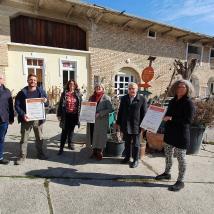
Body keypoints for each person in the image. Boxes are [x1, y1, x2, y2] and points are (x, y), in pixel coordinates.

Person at [155, 79, 195, 192]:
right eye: (178, 87)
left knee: (181, 158)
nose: (180, 89)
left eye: (183, 87)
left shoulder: (189, 103)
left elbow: (188, 120)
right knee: (168, 155)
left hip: (181, 135)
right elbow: (167, 114)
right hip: (170, 133)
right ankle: (167, 173)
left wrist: (172, 118)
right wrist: (160, 112)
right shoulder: (172, 101)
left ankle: (180, 181)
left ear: (187, 89)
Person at [15, 74, 48, 165]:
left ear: (36, 81)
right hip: (26, 119)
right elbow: (17, 105)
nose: (32, 81)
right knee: (24, 139)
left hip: (38, 119)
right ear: (27, 80)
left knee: (39, 138)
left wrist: (45, 101)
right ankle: (22, 156)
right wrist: (23, 114)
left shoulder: (41, 91)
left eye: (34, 80)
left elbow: (46, 104)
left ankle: (40, 154)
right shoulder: (22, 92)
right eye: (31, 80)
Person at [116, 82, 147, 168]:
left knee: (136, 144)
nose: (131, 90)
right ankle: (127, 157)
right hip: (125, 124)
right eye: (130, 89)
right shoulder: (124, 98)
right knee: (127, 142)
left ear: (137, 89)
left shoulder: (142, 99)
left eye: (133, 88)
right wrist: (118, 123)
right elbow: (120, 111)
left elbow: (144, 113)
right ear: (128, 90)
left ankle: (136, 160)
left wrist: (144, 126)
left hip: (136, 125)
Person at [87, 83, 113, 160]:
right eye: (97, 87)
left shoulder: (106, 97)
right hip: (91, 120)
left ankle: (99, 152)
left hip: (101, 120)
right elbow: (88, 107)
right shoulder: (91, 97)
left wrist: (100, 113)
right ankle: (94, 151)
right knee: (92, 135)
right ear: (95, 88)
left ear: (103, 88)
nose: (98, 88)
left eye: (100, 87)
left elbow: (110, 109)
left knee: (100, 136)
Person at [57, 80, 82, 155]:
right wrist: (59, 114)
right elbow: (60, 104)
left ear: (75, 85)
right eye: (70, 84)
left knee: (71, 131)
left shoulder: (78, 94)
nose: (72, 85)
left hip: (74, 115)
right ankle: (61, 148)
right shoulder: (64, 93)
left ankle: (70, 144)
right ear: (68, 85)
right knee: (64, 131)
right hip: (66, 115)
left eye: (73, 84)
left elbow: (81, 104)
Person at [0, 72, 14, 164]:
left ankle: (0, 157)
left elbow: (10, 105)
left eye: (0, 78)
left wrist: (11, 118)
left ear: (3, 80)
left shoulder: (7, 91)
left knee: (1, 139)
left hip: (3, 120)